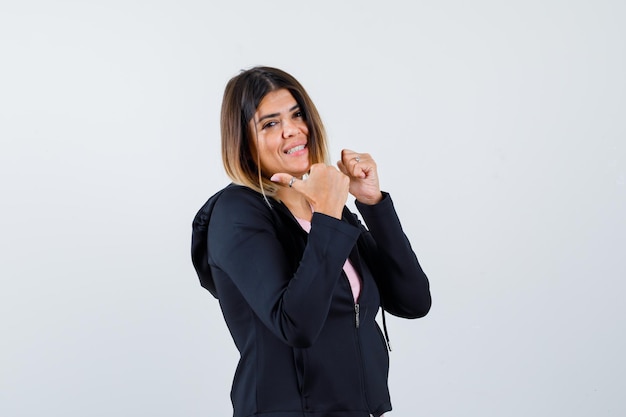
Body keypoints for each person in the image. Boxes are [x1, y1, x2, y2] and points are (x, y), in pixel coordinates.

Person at [191, 66, 431, 417]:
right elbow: (296, 325)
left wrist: (371, 203)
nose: (292, 130)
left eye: (297, 114)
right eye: (270, 123)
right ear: (243, 141)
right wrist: (329, 214)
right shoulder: (237, 213)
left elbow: (413, 301)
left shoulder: (324, 210)